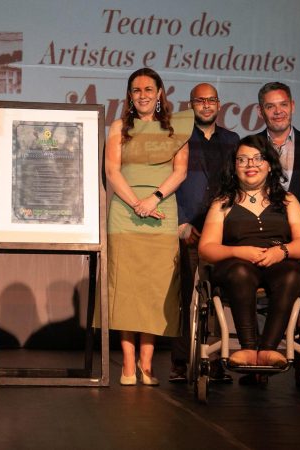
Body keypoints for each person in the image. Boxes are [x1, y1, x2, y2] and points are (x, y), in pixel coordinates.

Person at [104, 68, 191, 386]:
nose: (142, 94)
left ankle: (147, 364)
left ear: (159, 94)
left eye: (148, 89)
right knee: (126, 289)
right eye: (136, 90)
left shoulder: (177, 128)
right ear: (129, 95)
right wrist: (136, 203)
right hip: (124, 215)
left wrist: (153, 199)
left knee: (155, 291)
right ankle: (128, 366)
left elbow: (180, 172)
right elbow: (112, 172)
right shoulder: (118, 127)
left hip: (162, 213)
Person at [198, 135, 300, 368]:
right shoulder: (222, 203)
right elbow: (206, 248)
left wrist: (282, 251)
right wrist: (238, 252)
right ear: (234, 166)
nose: (250, 165)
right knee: (241, 272)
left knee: (292, 275)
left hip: (279, 261)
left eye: (257, 159)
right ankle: (248, 348)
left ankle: (269, 349)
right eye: (243, 160)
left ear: (269, 164)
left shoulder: (287, 200)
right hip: (235, 265)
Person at [169, 83, 239, 383]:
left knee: (220, 298)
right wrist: (182, 224)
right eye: (200, 100)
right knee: (186, 296)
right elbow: (167, 183)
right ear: (191, 104)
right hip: (188, 230)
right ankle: (182, 362)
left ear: (219, 104)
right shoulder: (178, 138)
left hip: (222, 232)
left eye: (212, 100)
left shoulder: (233, 140)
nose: (207, 105)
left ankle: (217, 360)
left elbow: (238, 183)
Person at [256, 82, 300, 205]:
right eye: (270, 106)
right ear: (260, 111)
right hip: (260, 222)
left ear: (292, 106)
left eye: (283, 104)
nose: (278, 111)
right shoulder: (250, 146)